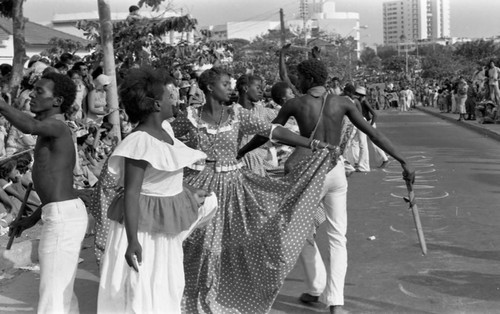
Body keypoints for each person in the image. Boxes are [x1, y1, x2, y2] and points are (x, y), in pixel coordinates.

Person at [240, 59, 413, 314]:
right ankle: (335, 302)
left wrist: (239, 152)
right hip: (335, 171)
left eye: (299, 77)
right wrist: (404, 160)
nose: (295, 81)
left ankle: (313, 286)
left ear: (308, 79)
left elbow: (268, 133)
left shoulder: (295, 104)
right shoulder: (343, 102)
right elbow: (373, 134)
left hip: (308, 174)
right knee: (337, 237)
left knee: (300, 231)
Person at [172, 67, 337, 313]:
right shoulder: (190, 116)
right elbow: (165, 137)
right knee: (201, 247)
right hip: (200, 190)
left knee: (239, 245)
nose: (231, 88)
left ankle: (225, 300)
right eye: (226, 84)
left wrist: (311, 143)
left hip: (235, 188)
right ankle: (192, 301)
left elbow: (273, 130)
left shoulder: (237, 115)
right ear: (209, 88)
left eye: (231, 83)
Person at [97, 68, 217, 313]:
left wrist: (190, 192)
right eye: (168, 95)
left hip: (164, 222)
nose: (174, 99)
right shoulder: (139, 142)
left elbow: (165, 174)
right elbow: (132, 192)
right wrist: (132, 241)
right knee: (142, 288)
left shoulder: (167, 132)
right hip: (141, 229)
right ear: (154, 104)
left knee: (167, 282)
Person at [2, 72, 88, 313]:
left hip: (63, 218)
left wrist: (1, 105)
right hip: (61, 213)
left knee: (53, 295)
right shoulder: (53, 129)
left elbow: (30, 125)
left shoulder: (56, 127)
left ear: (57, 101)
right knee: (59, 292)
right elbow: (57, 192)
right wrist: (31, 219)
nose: (31, 95)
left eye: (40, 92)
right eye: (33, 90)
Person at [355, 86, 390, 168]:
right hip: (363, 123)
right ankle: (357, 161)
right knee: (356, 142)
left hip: (368, 122)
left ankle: (385, 159)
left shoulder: (364, 102)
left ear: (360, 95)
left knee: (374, 143)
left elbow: (374, 114)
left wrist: (370, 126)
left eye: (357, 94)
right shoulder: (358, 102)